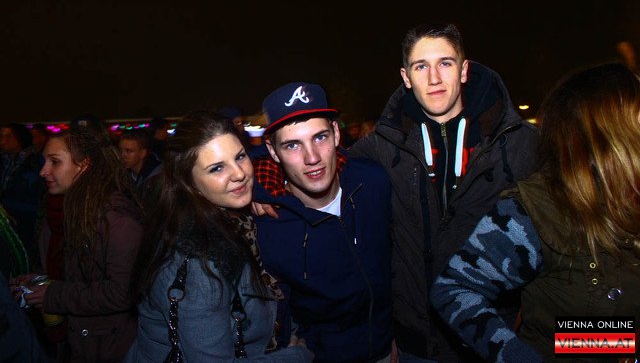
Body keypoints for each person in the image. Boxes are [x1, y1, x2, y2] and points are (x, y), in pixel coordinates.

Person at [347, 23, 538, 361]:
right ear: (406, 77)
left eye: (445, 63)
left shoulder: (520, 143)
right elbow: (319, 172)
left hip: (494, 340)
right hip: (416, 343)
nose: (434, 77)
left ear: (464, 70)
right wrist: (266, 193)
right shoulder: (380, 147)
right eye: (421, 66)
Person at [430, 63, 640, 361]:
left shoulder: (629, 195)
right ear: (609, 135)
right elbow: (452, 288)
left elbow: (605, 336)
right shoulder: (537, 208)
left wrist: (623, 343)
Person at [125, 110, 313, 362]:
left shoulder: (233, 217)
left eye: (240, 156)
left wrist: (261, 195)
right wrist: (297, 356)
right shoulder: (199, 263)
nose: (239, 173)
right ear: (189, 183)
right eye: (217, 168)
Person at [252, 82, 393, 362]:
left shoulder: (374, 183)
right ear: (273, 151)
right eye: (293, 145)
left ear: (336, 133)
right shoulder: (268, 225)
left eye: (320, 137)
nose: (312, 158)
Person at [10, 123, 144, 362]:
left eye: (55, 162)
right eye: (44, 161)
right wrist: (39, 280)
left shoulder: (116, 220)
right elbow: (79, 274)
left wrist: (53, 294)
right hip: (80, 339)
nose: (43, 171)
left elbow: (122, 292)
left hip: (108, 346)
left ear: (83, 166)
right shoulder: (69, 211)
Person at [0, 123, 45, 256]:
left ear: (20, 138)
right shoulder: (3, 160)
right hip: (4, 217)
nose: (3, 140)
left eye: (9, 136)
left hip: (27, 219)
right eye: (1, 136)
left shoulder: (36, 161)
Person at [117, 129, 163, 204]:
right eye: (120, 151)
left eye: (128, 151)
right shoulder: (121, 174)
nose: (122, 156)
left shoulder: (156, 178)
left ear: (142, 153)